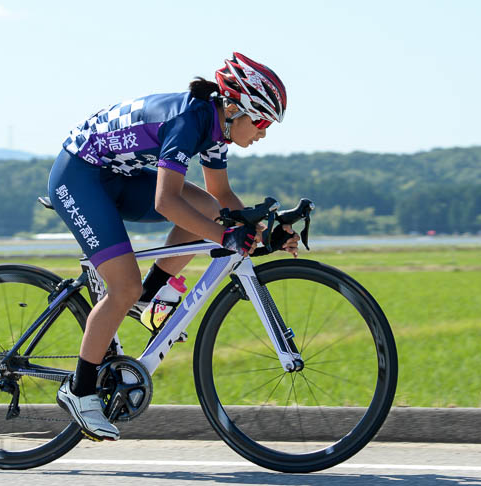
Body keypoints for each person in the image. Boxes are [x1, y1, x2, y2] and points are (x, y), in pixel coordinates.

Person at [49, 52, 299, 441]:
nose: (264, 132)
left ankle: (145, 299)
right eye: (262, 121)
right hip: (80, 177)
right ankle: (79, 391)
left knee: (206, 208)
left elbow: (222, 197)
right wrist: (224, 237)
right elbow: (167, 202)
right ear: (234, 108)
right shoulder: (188, 121)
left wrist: (270, 232)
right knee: (123, 285)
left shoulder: (216, 128)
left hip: (117, 176)